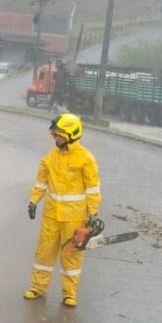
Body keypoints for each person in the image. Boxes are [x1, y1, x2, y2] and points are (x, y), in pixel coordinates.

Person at [25, 113, 101, 308]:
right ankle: (37, 288)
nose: (55, 138)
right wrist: (33, 201)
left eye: (59, 134)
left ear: (71, 134)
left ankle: (70, 294)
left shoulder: (86, 159)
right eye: (55, 135)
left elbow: (93, 189)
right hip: (51, 215)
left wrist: (93, 213)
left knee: (72, 255)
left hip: (74, 218)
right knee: (44, 252)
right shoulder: (50, 157)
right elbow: (41, 181)